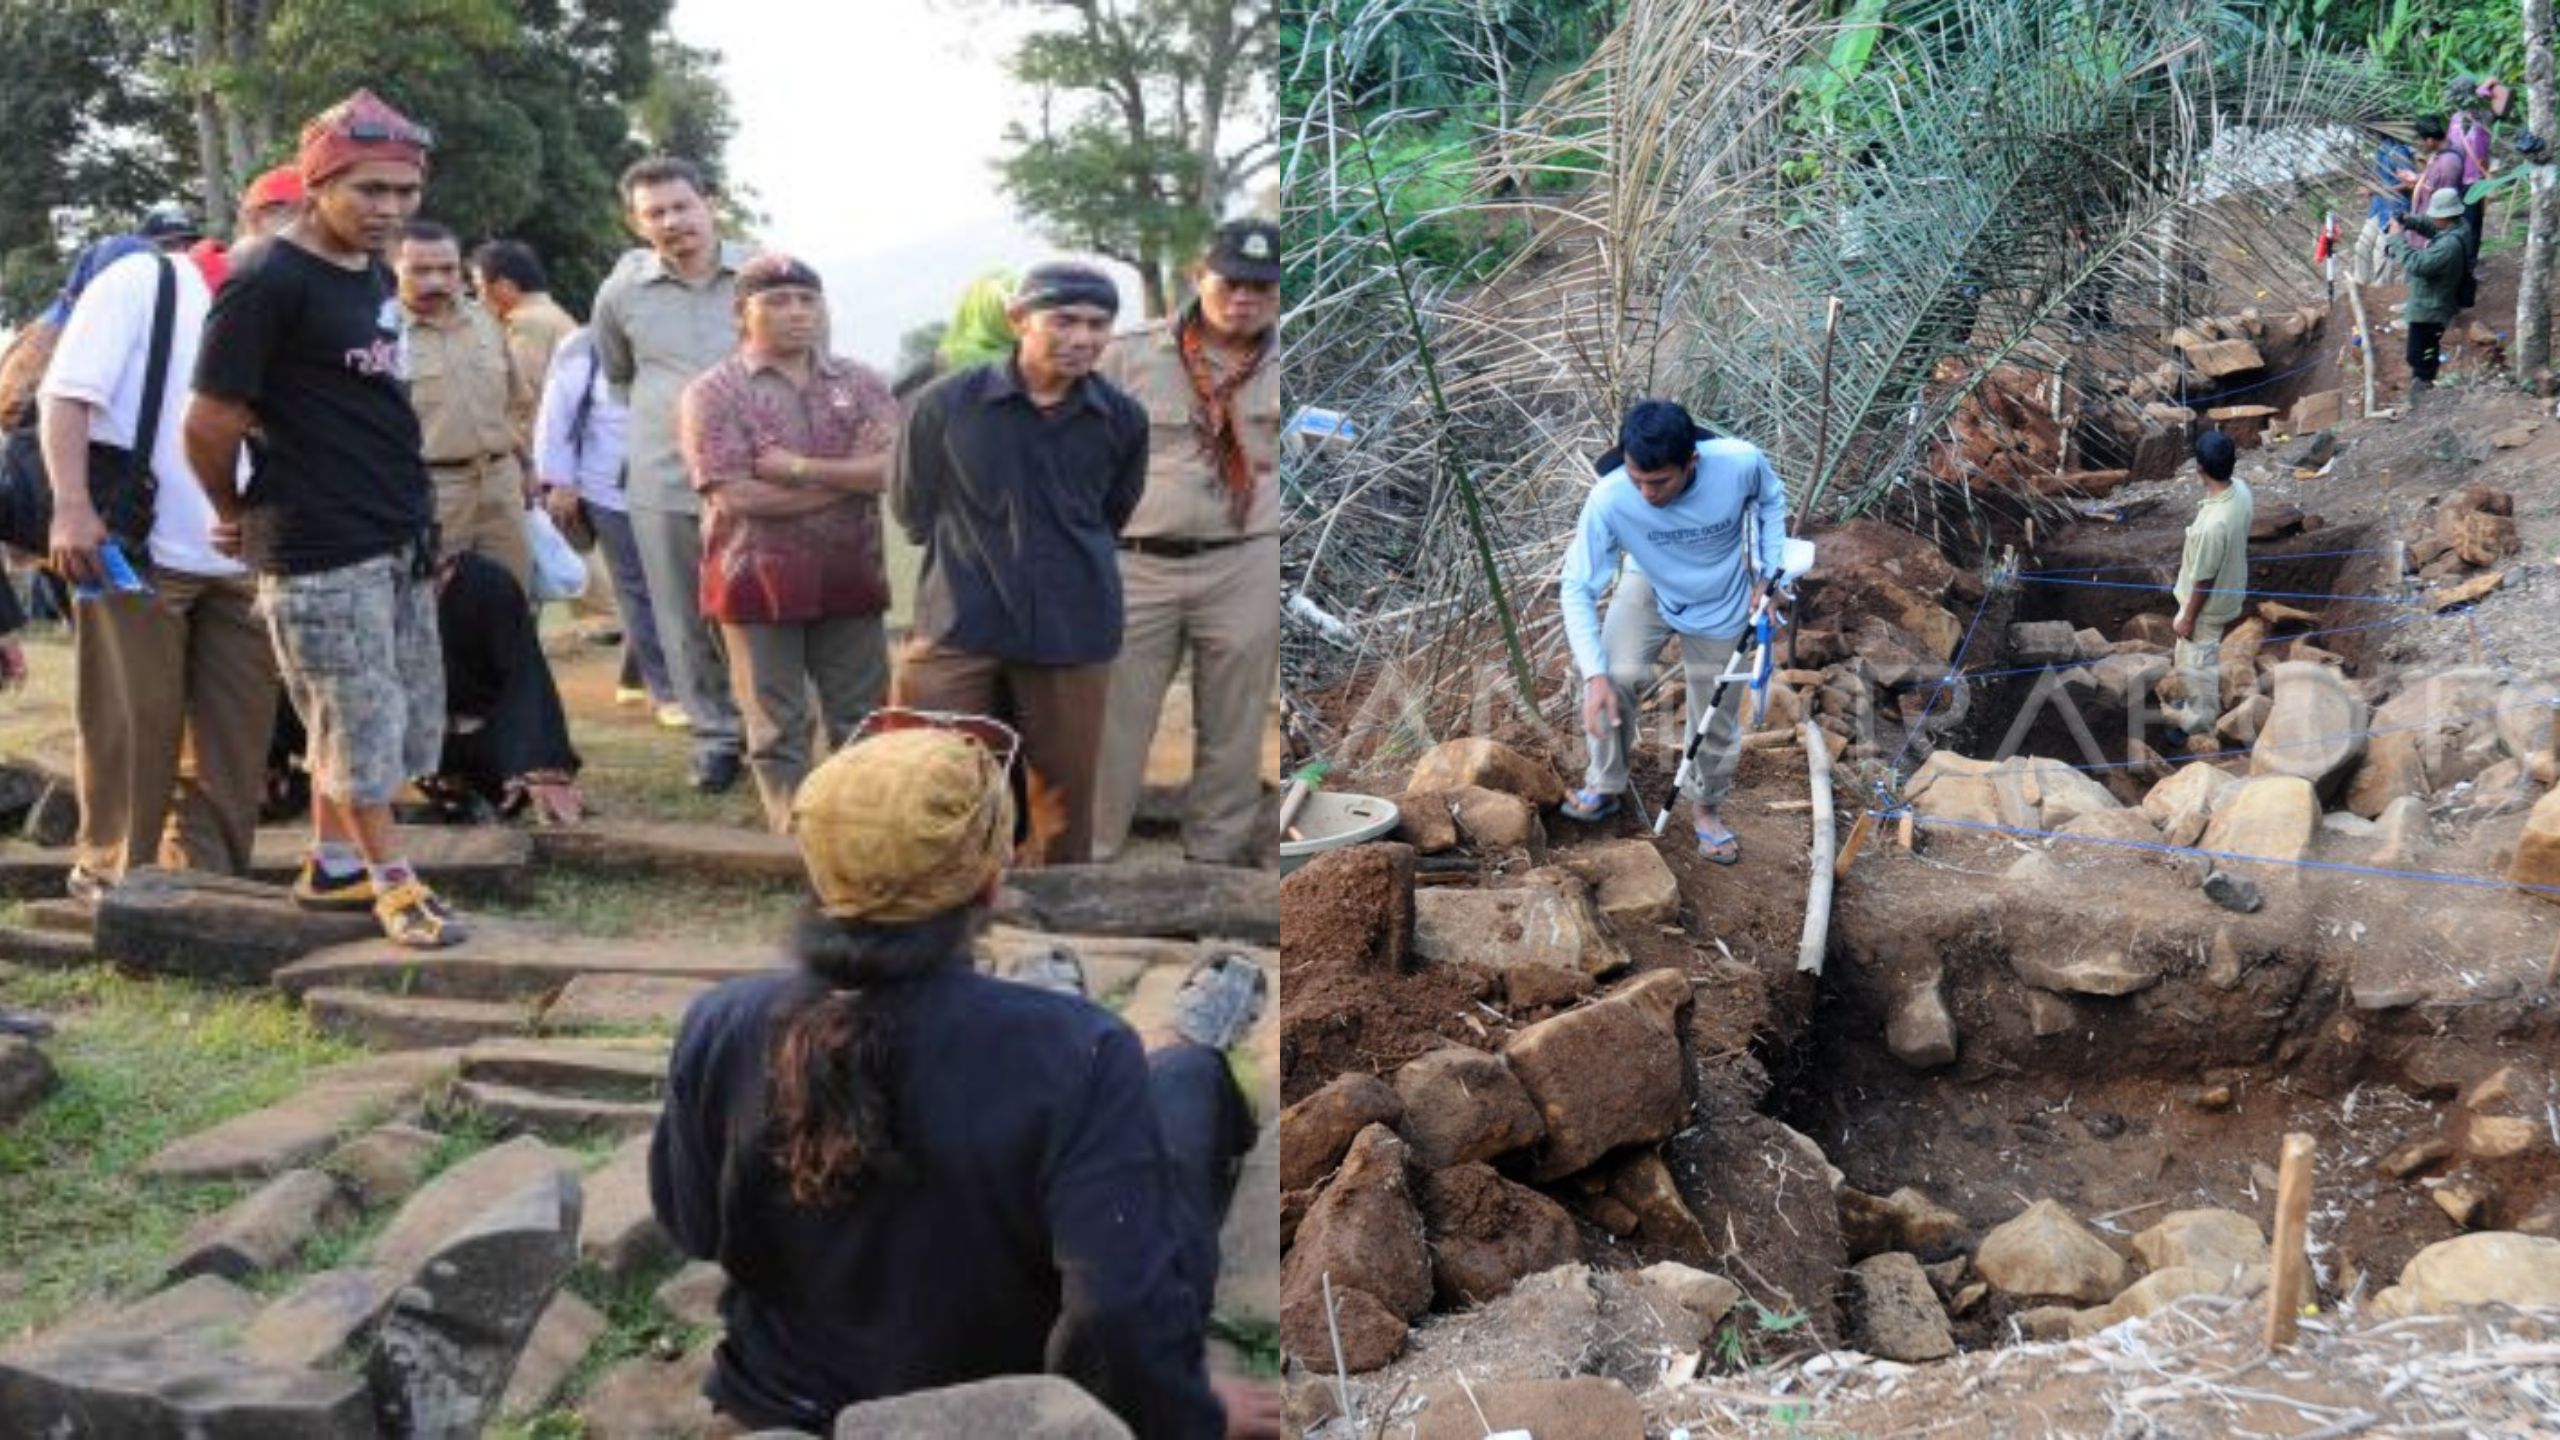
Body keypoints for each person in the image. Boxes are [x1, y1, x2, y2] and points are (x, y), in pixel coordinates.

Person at [647, 714, 1279, 1439]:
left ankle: (1139, 1024)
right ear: (988, 882)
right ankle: (1187, 1039)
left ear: (820, 870)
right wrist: (1191, 1409)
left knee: (1112, 1078)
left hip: (781, 1401)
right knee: (1179, 1092)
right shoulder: (1079, 1051)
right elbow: (1119, 1308)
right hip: (1003, 1410)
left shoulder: (723, 1020)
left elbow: (691, 1225)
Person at [183, 88, 466, 949]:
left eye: (403, 192)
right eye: (367, 191)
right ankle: (393, 883)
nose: (388, 210)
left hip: (392, 527)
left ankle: (335, 862)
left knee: (393, 713)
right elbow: (210, 418)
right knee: (359, 716)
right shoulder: (266, 279)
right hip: (313, 540)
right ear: (318, 185)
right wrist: (228, 510)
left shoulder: (370, 271)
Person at [39, 201, 279, 904]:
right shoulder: (147, 281)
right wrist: (72, 506)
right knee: (132, 725)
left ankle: (206, 889)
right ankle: (113, 878)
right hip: (136, 546)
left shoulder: (298, 302)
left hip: (243, 555)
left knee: (235, 738)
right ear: (260, 219)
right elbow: (66, 394)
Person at [891, 263, 1147, 866]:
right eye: (1064, 320)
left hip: (1073, 624)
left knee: (1062, 799)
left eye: (1097, 323)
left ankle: (1060, 923)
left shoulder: (1121, 418)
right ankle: (947, 908)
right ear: (1018, 321)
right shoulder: (944, 405)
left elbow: (1113, 512)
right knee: (938, 775)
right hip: (958, 620)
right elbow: (911, 507)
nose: (1082, 338)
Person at [678, 255, 896, 832]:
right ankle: (795, 836)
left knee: (864, 715)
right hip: (754, 575)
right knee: (776, 724)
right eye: (777, 300)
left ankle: (863, 830)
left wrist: (795, 468)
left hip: (850, 569)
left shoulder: (861, 381)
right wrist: (844, 479)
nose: (797, 312)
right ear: (740, 314)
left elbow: (889, 469)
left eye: (807, 298)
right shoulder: (712, 392)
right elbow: (735, 496)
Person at [1091, 221, 1282, 868]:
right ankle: (1091, 853)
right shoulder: (1128, 356)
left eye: (1263, 287)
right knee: (1115, 717)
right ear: (1199, 276)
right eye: (1231, 283)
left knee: (1234, 722)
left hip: (1245, 558)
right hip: (1137, 560)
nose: (1245, 299)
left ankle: (1215, 858)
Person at [1556, 399, 1789, 866]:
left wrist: (1770, 574)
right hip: (1649, 581)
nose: (1646, 493)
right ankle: (1605, 783)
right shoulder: (1610, 496)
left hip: (1722, 592)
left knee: (1716, 710)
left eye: (1659, 481)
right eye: (1637, 478)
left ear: (1691, 462)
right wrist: (1593, 677)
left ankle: (1706, 809)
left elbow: (1772, 500)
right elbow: (1577, 585)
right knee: (1614, 676)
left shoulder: (1739, 463)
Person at [590, 155, 750, 794]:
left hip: (757, 478)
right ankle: (717, 739)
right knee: (682, 612)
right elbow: (619, 372)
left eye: (682, 206)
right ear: (635, 223)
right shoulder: (620, 292)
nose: (672, 221)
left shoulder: (763, 274)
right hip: (662, 474)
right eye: (654, 213)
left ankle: (777, 731)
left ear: (709, 203)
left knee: (765, 607)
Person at [533, 325, 680, 722]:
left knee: (673, 583)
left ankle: (634, 678)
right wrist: (559, 480)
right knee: (639, 586)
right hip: (606, 488)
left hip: (674, 483)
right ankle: (666, 690)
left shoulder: (681, 333)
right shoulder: (583, 345)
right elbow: (556, 415)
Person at [396, 218, 535, 589]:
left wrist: (525, 467)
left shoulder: (483, 319)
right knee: (439, 607)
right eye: (420, 271)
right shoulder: (381, 333)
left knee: (513, 600)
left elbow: (517, 402)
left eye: (447, 269)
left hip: (500, 483)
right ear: (393, 267)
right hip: (431, 491)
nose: (437, 281)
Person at [422, 550, 583, 825]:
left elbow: (524, 676)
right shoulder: (364, 588)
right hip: (401, 748)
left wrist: (537, 763)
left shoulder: (487, 582)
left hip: (483, 743)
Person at [2160, 430, 2252, 752]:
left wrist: (2188, 617)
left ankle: (2198, 724)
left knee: (2198, 666)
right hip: (2231, 590)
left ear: (2200, 468)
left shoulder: (2213, 526)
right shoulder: (2240, 491)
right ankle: (2191, 706)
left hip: (2207, 608)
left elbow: (2204, 580)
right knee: (2190, 659)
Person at [470, 239, 578, 394]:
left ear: (505, 286)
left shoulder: (525, 322)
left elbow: (520, 389)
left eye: (479, 288)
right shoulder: (551, 314)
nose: (479, 299)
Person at [2394, 187, 2474, 393]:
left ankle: (2422, 388)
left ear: (2446, 217)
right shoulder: (2459, 227)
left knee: (2419, 354)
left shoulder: (2448, 246)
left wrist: (2396, 239)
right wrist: (2408, 220)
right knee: (2426, 349)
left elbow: (2417, 264)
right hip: (2437, 304)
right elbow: (2432, 227)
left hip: (2431, 308)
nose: (2433, 219)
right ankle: (2424, 382)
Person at [2353, 129, 2418, 287]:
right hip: (2378, 206)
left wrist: (2377, 190)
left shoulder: (2398, 152)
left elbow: (2411, 183)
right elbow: (2379, 176)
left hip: (2395, 208)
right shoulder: (2381, 148)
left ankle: (2381, 290)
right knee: (2361, 246)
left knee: (2381, 253)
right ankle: (2360, 285)